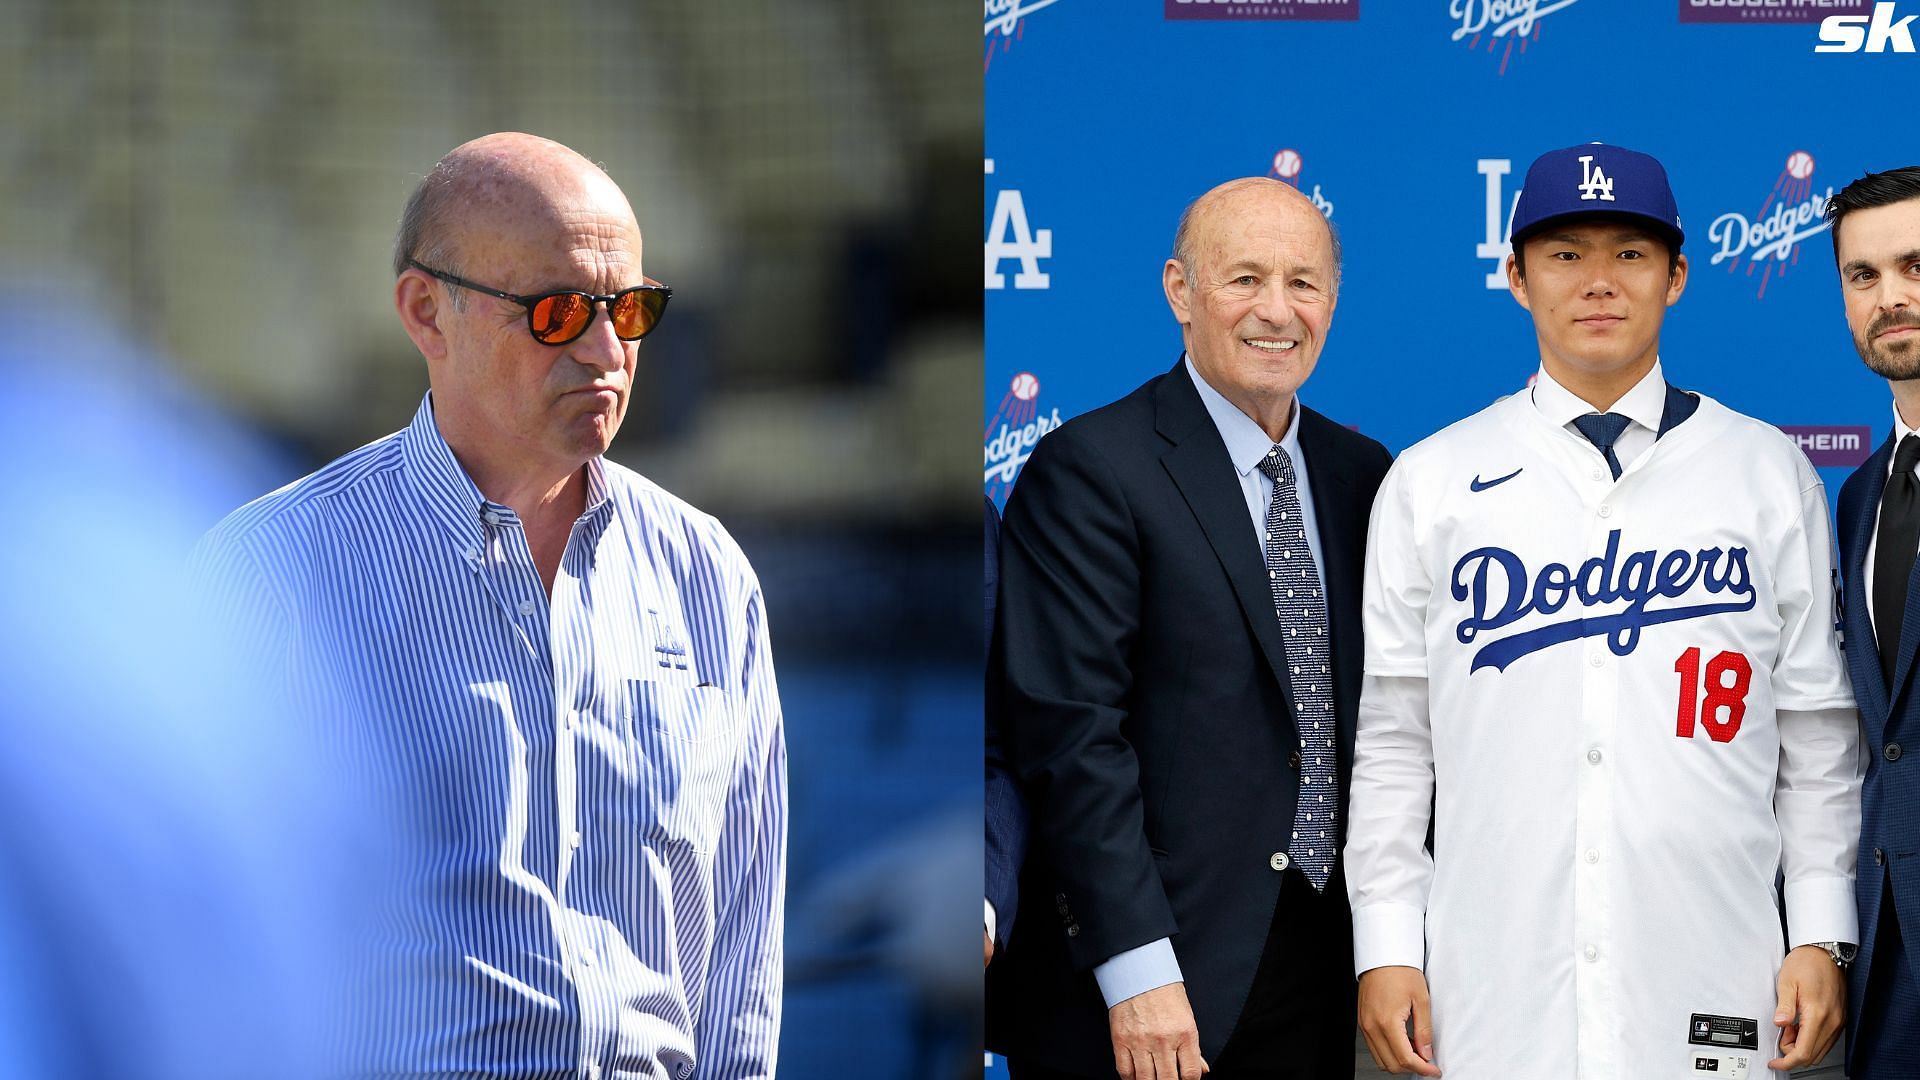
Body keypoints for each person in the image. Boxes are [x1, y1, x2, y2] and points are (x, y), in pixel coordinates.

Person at [194, 133, 786, 1078]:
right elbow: (196, 952)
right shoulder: (272, 576)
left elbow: (741, 959)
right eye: (557, 313)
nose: (606, 351)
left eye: (629, 310)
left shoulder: (709, 577)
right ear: (427, 312)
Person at [1346, 142, 1862, 1078]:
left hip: (1717, 965)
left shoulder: (1767, 471)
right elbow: (1393, 739)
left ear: (1677, 277)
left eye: (1629, 254)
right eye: (1564, 253)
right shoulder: (1431, 481)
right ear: (1515, 276)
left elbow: (1818, 734)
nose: (1598, 282)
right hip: (1493, 980)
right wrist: (1386, 943)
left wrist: (1821, 930)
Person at [988, 177, 1393, 1079]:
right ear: (1180, 291)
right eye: (1244, 278)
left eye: (1303, 283)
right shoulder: (1090, 469)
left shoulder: (1365, 474)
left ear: (1333, 300)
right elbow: (1069, 736)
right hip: (1153, 984)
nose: (1277, 312)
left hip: (1327, 974)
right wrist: (1136, 968)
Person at [1826, 165, 1920, 1080]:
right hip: (1888, 969)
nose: (1890, 297)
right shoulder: (1859, 495)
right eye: (1864, 276)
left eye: (1916, 265)